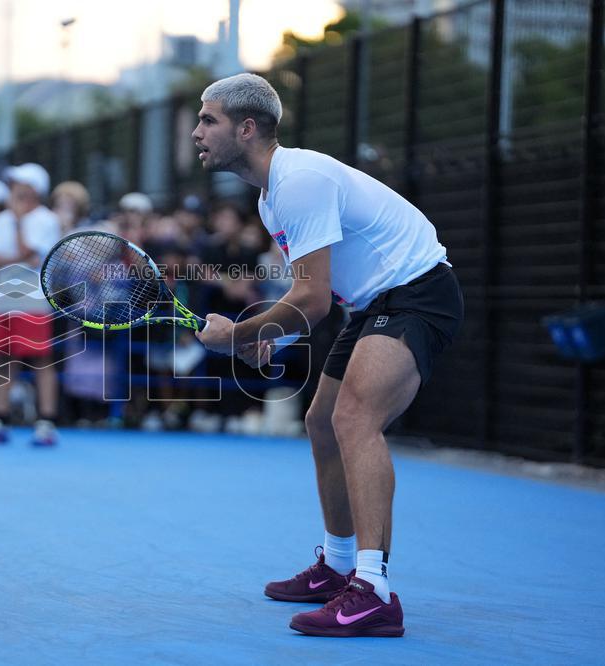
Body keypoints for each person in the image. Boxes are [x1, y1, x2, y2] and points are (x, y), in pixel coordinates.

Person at [193, 73, 464, 638]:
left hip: (418, 293)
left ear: (247, 128)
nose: (197, 131)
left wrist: (241, 335)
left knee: (354, 419)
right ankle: (337, 567)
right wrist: (275, 336)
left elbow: (312, 299)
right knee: (321, 422)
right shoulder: (271, 198)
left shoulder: (300, 181)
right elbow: (318, 291)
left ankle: (373, 592)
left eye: (208, 120)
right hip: (372, 302)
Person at [0, 163, 62, 446]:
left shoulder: (46, 219)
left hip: (33, 299)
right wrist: (18, 256)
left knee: (41, 360)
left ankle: (46, 423)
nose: (14, 188)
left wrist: (20, 224)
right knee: (1, 360)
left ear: (34, 190)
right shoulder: (2, 219)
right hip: (1, 299)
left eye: (20, 183)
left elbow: (32, 257)